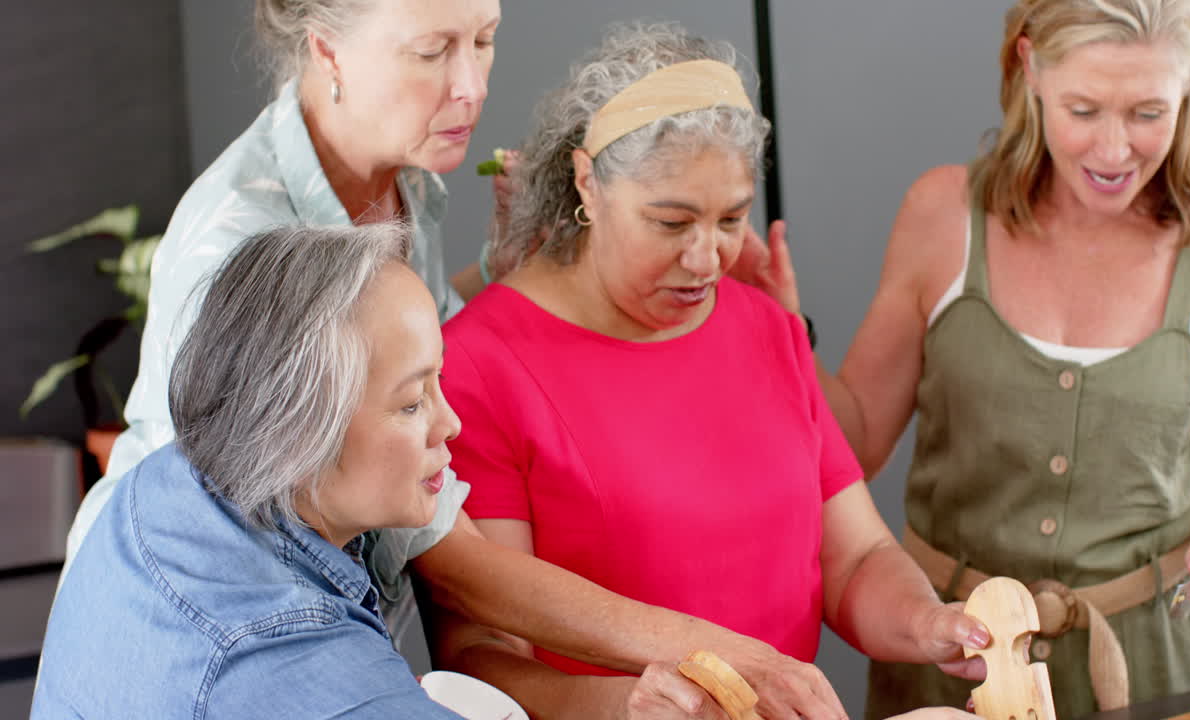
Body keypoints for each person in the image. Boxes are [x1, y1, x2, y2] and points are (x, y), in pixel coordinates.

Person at [48, 1, 861, 714]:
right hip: (213, 635)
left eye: (485, 38)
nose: (471, 86)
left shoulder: (400, 180)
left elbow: (384, 357)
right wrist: (724, 656)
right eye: (433, 51)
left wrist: (490, 277)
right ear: (327, 48)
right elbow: (455, 557)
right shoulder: (246, 248)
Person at [433, 22, 990, 720]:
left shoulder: (765, 327)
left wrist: (928, 625)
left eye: (732, 218)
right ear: (588, 184)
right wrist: (627, 705)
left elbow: (852, 561)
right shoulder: (478, 365)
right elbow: (479, 652)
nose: (707, 259)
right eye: (671, 223)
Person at [768, 1, 1190, 716]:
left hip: (1156, 667)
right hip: (955, 661)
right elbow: (853, 445)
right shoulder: (943, 215)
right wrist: (783, 331)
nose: (1112, 150)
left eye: (1146, 113)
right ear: (1029, 65)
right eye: (1084, 108)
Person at [34, 225, 476, 718]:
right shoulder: (291, 655)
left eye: (438, 378)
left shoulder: (159, 482)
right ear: (300, 427)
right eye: (413, 403)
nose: (450, 424)